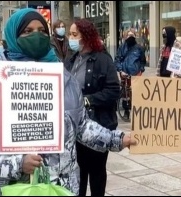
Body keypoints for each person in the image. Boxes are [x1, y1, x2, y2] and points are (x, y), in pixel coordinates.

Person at [0, 8, 136, 196]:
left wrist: (118, 139)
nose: (37, 36)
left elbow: (82, 126)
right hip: (18, 187)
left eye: (42, 31)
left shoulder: (64, 79)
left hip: (63, 187)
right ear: (13, 36)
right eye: (28, 31)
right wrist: (18, 163)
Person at [65, 19, 120, 197]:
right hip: (75, 128)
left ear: (86, 36)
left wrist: (88, 100)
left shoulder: (103, 59)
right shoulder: (72, 59)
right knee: (78, 173)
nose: (70, 38)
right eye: (69, 34)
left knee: (96, 173)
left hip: (98, 124)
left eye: (74, 35)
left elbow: (113, 91)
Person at [114, 29, 146, 119]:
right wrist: (120, 70)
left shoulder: (139, 48)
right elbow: (117, 60)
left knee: (136, 93)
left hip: (136, 74)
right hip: (125, 73)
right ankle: (126, 111)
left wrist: (141, 70)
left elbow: (143, 61)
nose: (130, 37)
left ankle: (137, 112)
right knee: (125, 94)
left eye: (132, 35)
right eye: (128, 35)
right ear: (125, 37)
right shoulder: (121, 48)